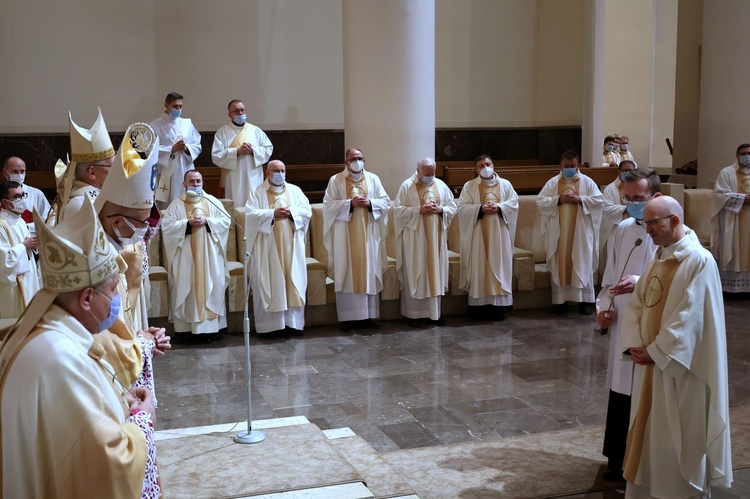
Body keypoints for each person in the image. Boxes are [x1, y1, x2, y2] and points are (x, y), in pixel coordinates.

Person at [0, 202, 160, 498]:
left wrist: (120, 398)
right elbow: (109, 463)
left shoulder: (55, 336)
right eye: (113, 290)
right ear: (86, 298)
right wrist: (142, 419)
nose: (116, 299)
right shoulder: (59, 358)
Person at [621, 196, 732, 497]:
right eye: (645, 224)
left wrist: (656, 352)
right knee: (650, 434)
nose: (647, 231)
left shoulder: (699, 260)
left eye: (652, 224)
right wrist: (635, 344)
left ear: (675, 220)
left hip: (680, 369)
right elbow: (638, 303)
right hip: (650, 365)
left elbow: (691, 318)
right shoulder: (660, 255)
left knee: (677, 435)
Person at [93, 122, 170, 402]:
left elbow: (116, 323)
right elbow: (102, 343)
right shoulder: (98, 262)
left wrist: (138, 334)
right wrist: (144, 343)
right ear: (115, 221)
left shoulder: (110, 244)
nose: (144, 231)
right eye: (140, 223)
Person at [595, 168, 660, 482]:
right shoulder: (622, 229)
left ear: (655, 197)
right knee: (621, 388)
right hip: (623, 321)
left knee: (644, 391)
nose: (634, 204)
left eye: (640, 199)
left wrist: (641, 282)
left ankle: (641, 463)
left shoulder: (672, 234)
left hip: (651, 324)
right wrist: (603, 307)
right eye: (629, 198)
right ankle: (617, 461)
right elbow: (610, 276)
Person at [322, 147, 391, 332]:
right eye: (353, 158)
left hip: (369, 234)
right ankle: (347, 318)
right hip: (345, 236)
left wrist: (370, 203)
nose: (357, 161)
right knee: (346, 271)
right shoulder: (336, 180)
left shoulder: (373, 179)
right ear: (346, 162)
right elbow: (327, 206)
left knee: (368, 271)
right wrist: (349, 204)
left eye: (360, 158)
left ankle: (368, 316)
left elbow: (385, 201)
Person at [161, 170, 230, 341]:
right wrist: (187, 223)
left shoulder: (212, 202)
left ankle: (211, 329)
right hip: (186, 258)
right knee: (187, 285)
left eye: (199, 181)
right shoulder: (176, 205)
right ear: (184, 184)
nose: (196, 184)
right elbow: (167, 227)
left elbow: (226, 221)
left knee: (212, 285)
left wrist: (208, 221)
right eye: (192, 181)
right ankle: (186, 329)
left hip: (210, 257)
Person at [246, 160, 311, 336]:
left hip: (292, 245)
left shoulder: (295, 191)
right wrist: (272, 213)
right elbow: (251, 215)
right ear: (267, 173)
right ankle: (270, 327)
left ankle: (293, 324)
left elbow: (307, 211)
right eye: (276, 171)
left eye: (283, 170)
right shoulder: (257, 192)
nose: (280, 174)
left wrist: (292, 213)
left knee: (293, 280)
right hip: (267, 246)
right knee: (270, 280)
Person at [537, 150, 603, 315]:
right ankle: (560, 302)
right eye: (566, 166)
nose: (569, 169)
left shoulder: (587, 182)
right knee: (561, 263)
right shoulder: (553, 183)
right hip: (559, 233)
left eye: (572, 166)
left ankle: (586, 302)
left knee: (582, 262)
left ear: (577, 165)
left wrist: (580, 200)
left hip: (580, 232)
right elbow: (541, 201)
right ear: (560, 165)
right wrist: (559, 200)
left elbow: (599, 200)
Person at [394, 157, 456, 327]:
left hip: (436, 238)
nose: (430, 176)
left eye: (433, 173)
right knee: (416, 273)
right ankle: (413, 315)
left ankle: (434, 314)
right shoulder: (407, 186)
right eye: (427, 174)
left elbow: (452, 207)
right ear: (418, 170)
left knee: (434, 273)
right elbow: (398, 212)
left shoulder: (441, 185)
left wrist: (441, 210)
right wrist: (418, 210)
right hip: (416, 239)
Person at [456, 155, 518, 320]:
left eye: (488, 164)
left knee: (500, 266)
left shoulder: (505, 184)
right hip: (478, 237)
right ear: (476, 169)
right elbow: (461, 208)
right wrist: (480, 209)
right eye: (481, 165)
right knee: (480, 267)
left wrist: (499, 207)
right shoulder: (470, 186)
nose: (485, 167)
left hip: (500, 235)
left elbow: (514, 204)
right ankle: (479, 307)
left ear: (493, 165)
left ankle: (500, 307)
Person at [55, 108, 116, 223]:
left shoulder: (92, 197)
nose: (116, 172)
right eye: (112, 167)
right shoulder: (83, 204)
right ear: (92, 172)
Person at [211, 99, 273, 207]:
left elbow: (268, 148)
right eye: (236, 111)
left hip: (253, 176)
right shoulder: (222, 132)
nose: (240, 113)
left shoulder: (256, 131)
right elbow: (216, 155)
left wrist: (253, 151)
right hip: (233, 178)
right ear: (230, 115)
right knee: (235, 204)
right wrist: (237, 151)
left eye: (242, 110)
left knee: (254, 204)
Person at [151, 92, 202, 208]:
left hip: (186, 168)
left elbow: (197, 145)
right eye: (175, 106)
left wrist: (187, 148)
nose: (178, 109)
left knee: (188, 203)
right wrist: (171, 149)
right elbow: (150, 150)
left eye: (180, 106)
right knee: (170, 202)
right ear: (166, 105)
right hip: (168, 172)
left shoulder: (187, 124)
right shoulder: (155, 126)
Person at [710, 143, 750, 293]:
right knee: (733, 249)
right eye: (743, 153)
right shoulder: (726, 172)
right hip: (733, 220)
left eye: (749, 153)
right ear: (737, 155)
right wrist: (744, 199)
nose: (747, 156)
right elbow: (720, 195)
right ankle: (732, 288)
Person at [0, 181, 40, 319]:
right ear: (5, 202)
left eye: (23, 195)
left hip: (29, 277)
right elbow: (4, 261)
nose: (22, 200)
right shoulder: (2, 225)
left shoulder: (20, 220)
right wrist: (24, 245)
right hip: (14, 285)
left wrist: (32, 245)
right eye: (17, 197)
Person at [599, 160, 636, 279]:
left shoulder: (639, 187)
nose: (628, 173)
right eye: (625, 170)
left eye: (631, 170)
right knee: (614, 258)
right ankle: (612, 285)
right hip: (615, 230)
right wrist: (624, 209)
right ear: (619, 172)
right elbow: (605, 208)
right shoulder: (610, 189)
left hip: (634, 228)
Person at [2, 156, 51, 223]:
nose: (19, 175)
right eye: (15, 171)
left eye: (22, 171)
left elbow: (49, 219)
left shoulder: (37, 194)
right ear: (5, 172)